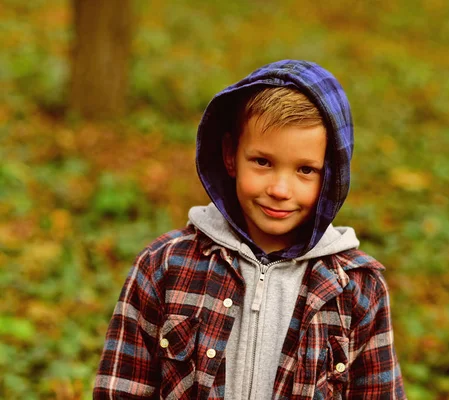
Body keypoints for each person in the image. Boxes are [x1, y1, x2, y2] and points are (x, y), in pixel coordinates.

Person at [94, 60, 407, 399]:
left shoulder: (357, 289)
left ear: (331, 174)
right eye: (263, 162)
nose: (280, 189)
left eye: (305, 170)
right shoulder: (164, 266)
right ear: (231, 155)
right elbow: (120, 389)